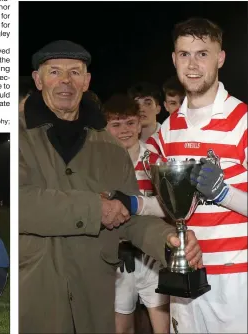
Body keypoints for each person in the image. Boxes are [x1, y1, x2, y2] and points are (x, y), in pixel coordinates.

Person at [19, 39, 203, 333]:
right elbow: (20, 203)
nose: (65, 81)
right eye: (54, 72)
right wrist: (95, 208)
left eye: (75, 72)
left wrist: (168, 242)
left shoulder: (108, 146)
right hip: (34, 291)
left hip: (95, 294)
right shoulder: (18, 136)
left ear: (87, 81)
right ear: (38, 80)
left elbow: (128, 214)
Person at [146, 18, 247, 333]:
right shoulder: (168, 128)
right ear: (174, 59)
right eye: (185, 54)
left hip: (234, 279)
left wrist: (223, 194)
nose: (192, 64)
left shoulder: (242, 121)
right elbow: (165, 204)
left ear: (220, 58)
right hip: (185, 271)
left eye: (203, 54)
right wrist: (133, 204)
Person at [103, 94, 169, 333]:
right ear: (106, 127)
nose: (125, 130)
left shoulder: (156, 162)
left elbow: (171, 207)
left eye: (130, 123)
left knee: (162, 327)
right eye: (116, 125)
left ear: (140, 124)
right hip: (118, 259)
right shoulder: (99, 166)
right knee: (122, 329)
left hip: (152, 256)